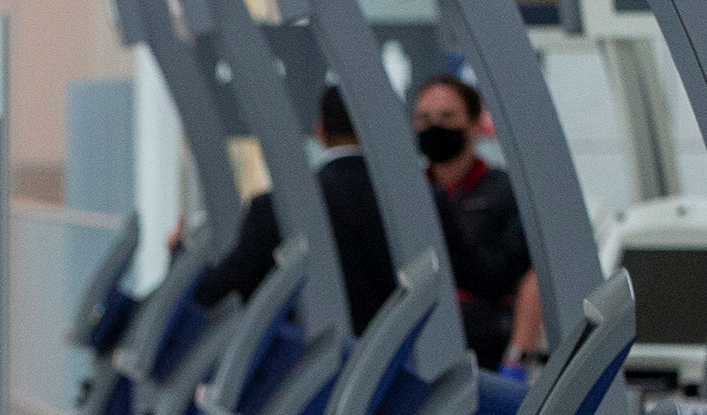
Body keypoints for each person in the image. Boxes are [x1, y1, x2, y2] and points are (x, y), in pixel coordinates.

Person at [196, 83, 398, 327]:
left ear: (320, 132)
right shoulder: (418, 206)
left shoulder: (276, 208)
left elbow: (222, 291)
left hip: (308, 359)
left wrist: (182, 258)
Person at [411, 74, 544, 366]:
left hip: (487, 348)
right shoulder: (409, 197)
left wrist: (518, 357)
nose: (434, 127)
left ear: (472, 123)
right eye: (424, 118)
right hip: (419, 345)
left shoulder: (505, 191)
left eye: (447, 116)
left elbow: (531, 276)